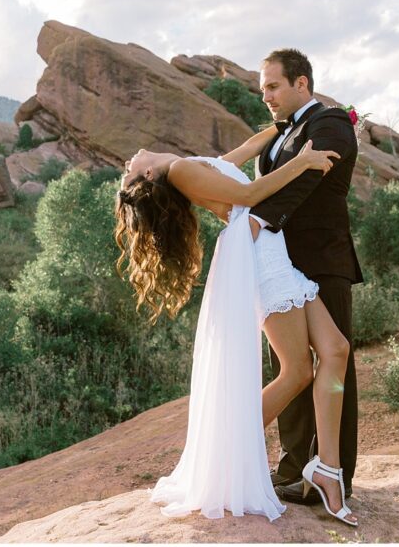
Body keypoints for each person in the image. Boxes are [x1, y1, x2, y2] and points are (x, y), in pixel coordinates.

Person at [114, 115, 357, 526]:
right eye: (129, 171)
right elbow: (251, 191)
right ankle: (226, 451)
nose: (129, 162)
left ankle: (326, 469)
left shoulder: (190, 166)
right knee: (297, 369)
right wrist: (303, 160)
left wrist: (289, 128)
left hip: (269, 248)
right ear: (149, 174)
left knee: (336, 349)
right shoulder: (180, 170)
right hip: (260, 254)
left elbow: (244, 153)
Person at [247, 48, 363, 509]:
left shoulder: (330, 122)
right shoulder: (277, 135)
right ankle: (294, 469)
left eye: (273, 86)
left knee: (335, 367)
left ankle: (335, 474)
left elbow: (309, 179)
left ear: (302, 83)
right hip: (281, 264)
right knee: (289, 369)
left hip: (322, 260)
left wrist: (259, 223)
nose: (267, 97)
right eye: (263, 91)